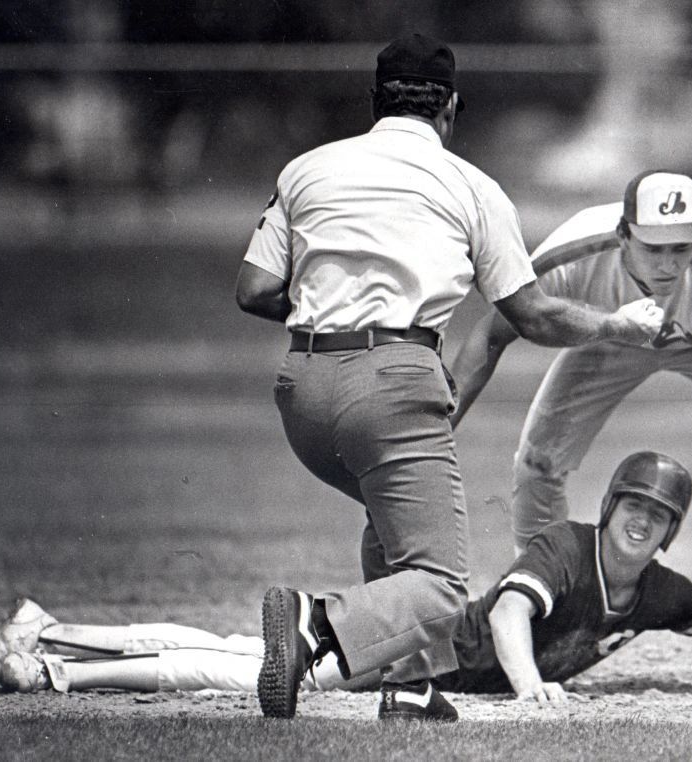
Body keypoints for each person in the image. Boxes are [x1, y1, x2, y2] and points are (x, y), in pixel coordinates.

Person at [232, 35, 665, 721]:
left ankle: (411, 685)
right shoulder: (471, 186)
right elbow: (531, 314)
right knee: (439, 580)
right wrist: (614, 325)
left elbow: (255, 290)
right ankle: (315, 622)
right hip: (397, 383)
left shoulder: (306, 169)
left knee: (394, 526)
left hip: (302, 390)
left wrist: (330, 310)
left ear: (375, 101)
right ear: (450, 109)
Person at [0, 453, 692, 703]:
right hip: (422, 650)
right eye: (631, 504)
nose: (640, 520)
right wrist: (531, 692)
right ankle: (52, 661)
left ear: (671, 529)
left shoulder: (663, 589)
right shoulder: (566, 545)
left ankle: (50, 637)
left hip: (432, 664)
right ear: (614, 502)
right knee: (239, 672)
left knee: (238, 658)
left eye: (657, 516)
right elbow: (513, 615)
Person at [448, 170, 692, 694]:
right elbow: (491, 337)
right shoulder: (574, 253)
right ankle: (547, 598)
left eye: (682, 247)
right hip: (609, 332)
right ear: (622, 233)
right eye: (655, 248)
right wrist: (441, 430)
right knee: (538, 459)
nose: (671, 263)